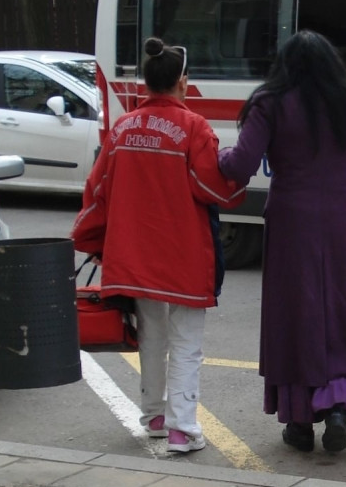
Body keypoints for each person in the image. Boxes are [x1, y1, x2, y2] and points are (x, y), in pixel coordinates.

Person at [217, 30, 346, 454]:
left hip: (291, 223)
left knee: (296, 317)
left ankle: (299, 422)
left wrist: (217, 152)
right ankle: (339, 406)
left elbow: (240, 165)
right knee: (345, 315)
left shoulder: (269, 102)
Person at [72, 38, 244, 455]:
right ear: (183, 81)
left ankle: (153, 417)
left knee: (150, 335)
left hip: (135, 254)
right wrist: (237, 172)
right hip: (184, 253)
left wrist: (93, 239)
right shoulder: (194, 127)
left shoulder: (122, 127)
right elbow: (212, 187)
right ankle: (183, 428)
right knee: (187, 341)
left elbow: (98, 192)